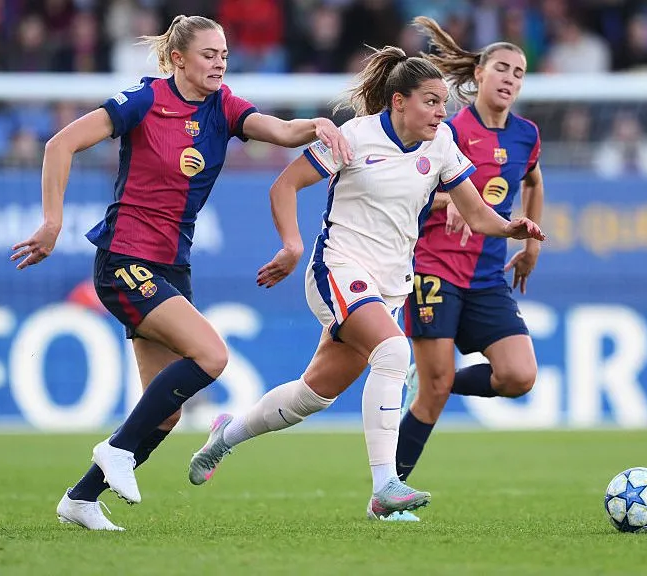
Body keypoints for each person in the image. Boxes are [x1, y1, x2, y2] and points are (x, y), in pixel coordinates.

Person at [10, 14, 351, 532]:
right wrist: (52, 222)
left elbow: (278, 131)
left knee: (166, 414)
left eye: (224, 56)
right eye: (209, 55)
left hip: (172, 264)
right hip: (125, 259)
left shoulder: (224, 105)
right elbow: (60, 144)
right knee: (212, 355)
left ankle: (80, 499)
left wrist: (317, 125)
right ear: (178, 59)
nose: (219, 63)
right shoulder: (144, 100)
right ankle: (116, 449)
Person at [185, 44, 546, 520]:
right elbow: (285, 185)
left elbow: (477, 213)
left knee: (312, 395)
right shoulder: (353, 137)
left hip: (390, 283)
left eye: (443, 103)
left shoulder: (441, 145)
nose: (442, 112)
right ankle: (384, 488)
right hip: (338, 267)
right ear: (399, 101)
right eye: (431, 101)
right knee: (395, 351)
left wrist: (510, 227)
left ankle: (224, 436)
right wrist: (292, 246)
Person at [391, 17, 548, 521]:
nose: (509, 78)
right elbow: (407, 188)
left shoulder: (527, 135)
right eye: (501, 67)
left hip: (486, 276)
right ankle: (387, 492)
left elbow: (534, 182)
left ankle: (432, 378)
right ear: (478, 74)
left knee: (519, 375)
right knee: (433, 398)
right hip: (435, 268)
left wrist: (531, 246)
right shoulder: (449, 130)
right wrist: (446, 200)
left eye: (519, 73)